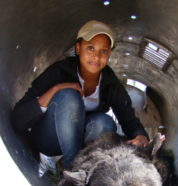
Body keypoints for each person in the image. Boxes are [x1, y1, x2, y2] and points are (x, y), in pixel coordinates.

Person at [12, 20, 149, 170]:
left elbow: (129, 120)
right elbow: (19, 119)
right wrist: (57, 89)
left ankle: (81, 165)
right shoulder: (59, 71)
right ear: (78, 48)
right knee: (69, 96)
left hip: (80, 143)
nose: (96, 57)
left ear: (109, 54)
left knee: (105, 122)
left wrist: (141, 137)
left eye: (104, 51)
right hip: (48, 139)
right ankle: (73, 169)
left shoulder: (111, 84)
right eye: (90, 48)